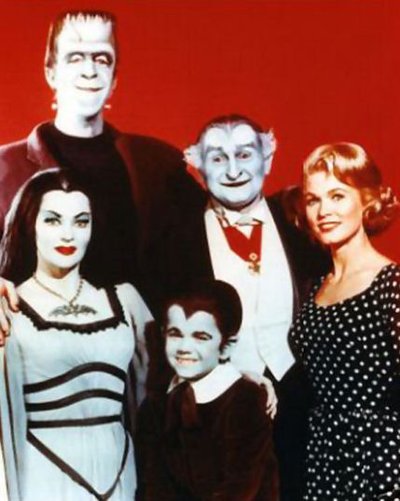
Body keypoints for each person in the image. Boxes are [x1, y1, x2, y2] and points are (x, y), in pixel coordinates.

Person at [0, 9, 203, 340]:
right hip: (36, 354)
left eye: (102, 58)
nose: (90, 70)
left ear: (115, 77)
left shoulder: (158, 164)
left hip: (143, 355)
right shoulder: (3, 169)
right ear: (50, 72)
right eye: (75, 58)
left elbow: (217, 231)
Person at [160, 114, 329, 500]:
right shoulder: (176, 242)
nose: (234, 170)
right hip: (218, 414)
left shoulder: (304, 227)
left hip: (301, 406)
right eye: (218, 158)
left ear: (267, 158)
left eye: (245, 154)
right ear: (198, 164)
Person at [0, 168, 152, 501]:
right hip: (41, 473)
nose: (68, 235)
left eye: (81, 222)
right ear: (30, 224)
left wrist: (245, 376)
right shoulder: (8, 305)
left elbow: (172, 380)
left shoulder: (125, 300)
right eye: (53, 221)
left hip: (120, 470)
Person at [289, 142, 400, 500]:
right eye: (313, 200)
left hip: (383, 457)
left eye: (337, 196)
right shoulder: (315, 287)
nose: (324, 211)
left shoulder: (392, 284)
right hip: (325, 457)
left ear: (367, 200)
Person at [136, 280, 279, 501]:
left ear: (226, 346)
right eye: (175, 334)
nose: (184, 348)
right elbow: (155, 485)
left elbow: (239, 488)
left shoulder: (245, 401)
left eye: (200, 337)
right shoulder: (156, 406)